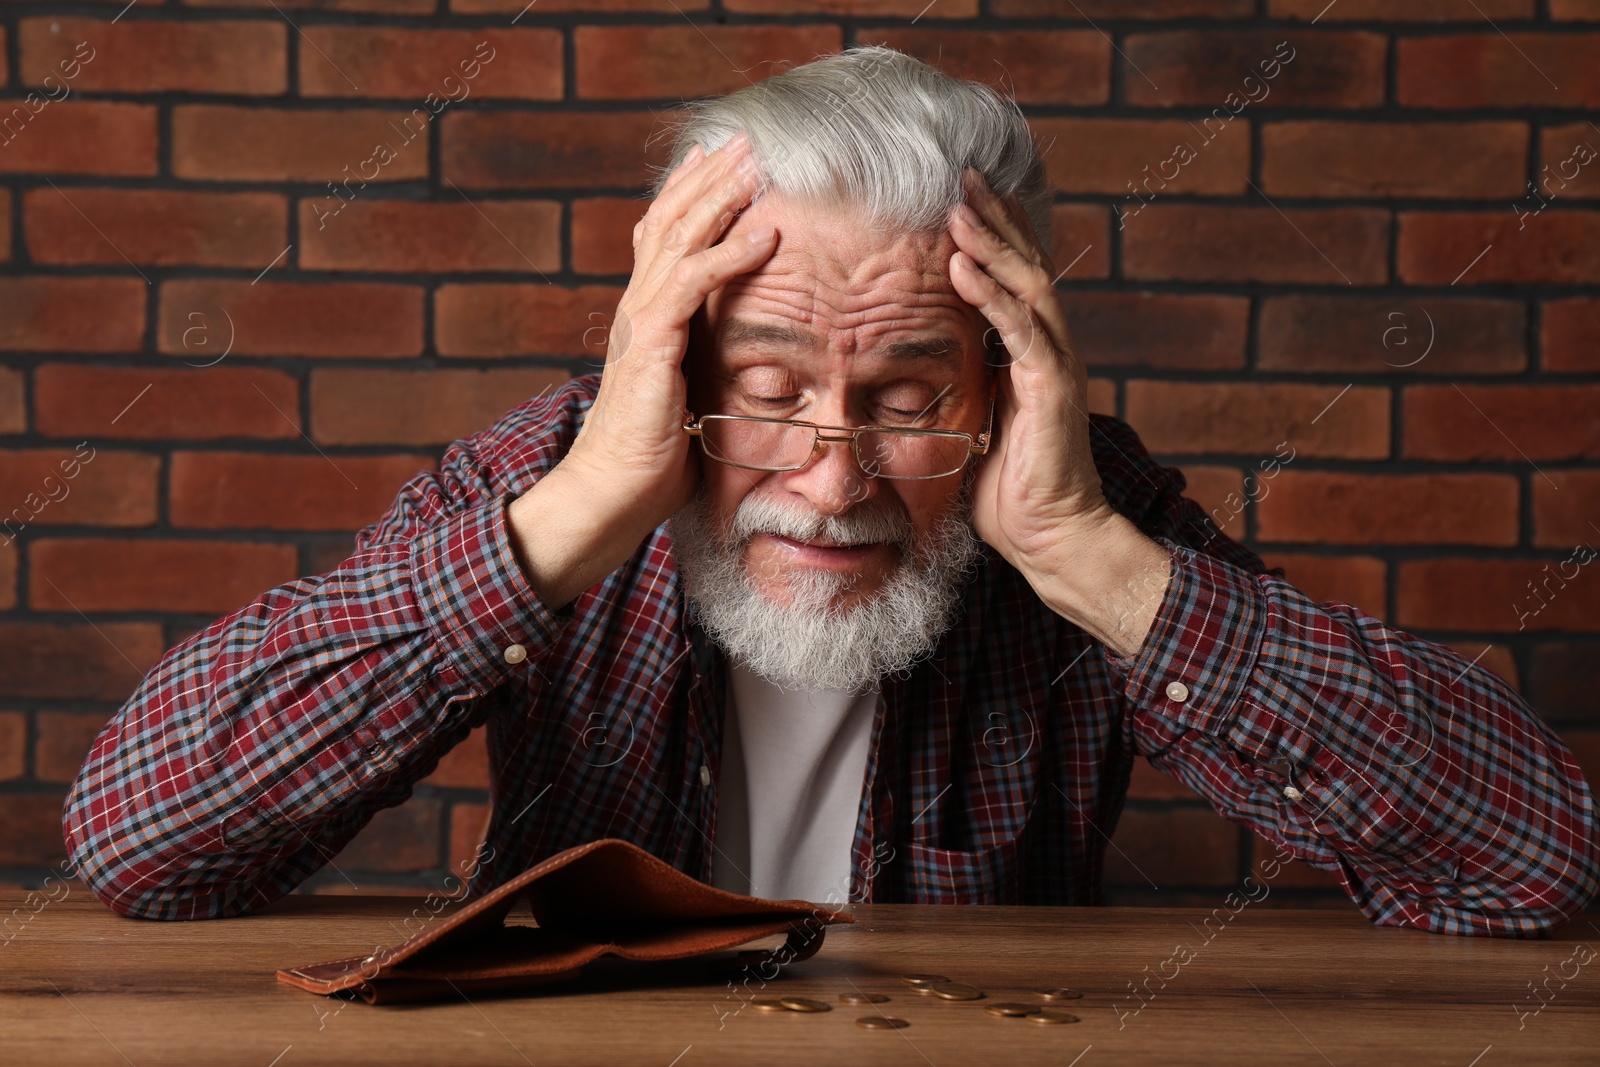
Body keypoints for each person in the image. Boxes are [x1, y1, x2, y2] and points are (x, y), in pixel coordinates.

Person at [63, 46, 1596, 935]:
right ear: (670, 350)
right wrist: (561, 529)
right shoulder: (548, 483)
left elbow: (1537, 866)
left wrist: (1094, 561)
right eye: (769, 387)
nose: (833, 473)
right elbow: (142, 844)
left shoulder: (1074, 505)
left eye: (912, 396)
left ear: (1004, 383)